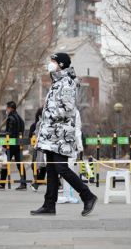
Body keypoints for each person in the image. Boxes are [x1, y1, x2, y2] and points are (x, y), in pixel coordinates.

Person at [30, 53, 97, 217]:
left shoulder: (66, 83)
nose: (50, 63)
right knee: (52, 170)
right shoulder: (57, 82)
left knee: (61, 167)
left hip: (61, 135)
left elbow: (68, 110)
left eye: (53, 61)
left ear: (61, 64)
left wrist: (49, 115)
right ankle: (49, 205)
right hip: (52, 135)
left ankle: (87, 196)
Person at [0, 101, 26, 190]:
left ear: (10, 108)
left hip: (11, 144)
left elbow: (9, 133)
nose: (6, 110)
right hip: (18, 144)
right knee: (19, 163)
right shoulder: (20, 119)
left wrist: (4, 145)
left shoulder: (10, 118)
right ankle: (23, 183)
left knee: (5, 163)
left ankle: (2, 184)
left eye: (7, 108)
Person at [57, 109, 83, 204]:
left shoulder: (75, 112)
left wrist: (79, 144)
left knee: (68, 170)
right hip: (62, 146)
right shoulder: (59, 110)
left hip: (68, 145)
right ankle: (67, 195)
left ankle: (69, 195)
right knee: (65, 171)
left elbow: (77, 129)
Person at [29, 108, 47, 192]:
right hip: (41, 149)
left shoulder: (40, 123)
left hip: (41, 149)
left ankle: (36, 183)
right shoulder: (37, 124)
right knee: (45, 166)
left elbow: (36, 135)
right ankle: (36, 183)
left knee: (46, 165)